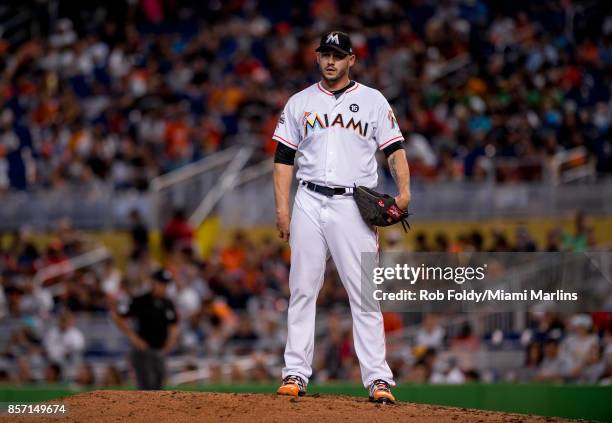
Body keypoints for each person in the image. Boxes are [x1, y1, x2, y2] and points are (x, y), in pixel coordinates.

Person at [272, 31, 411, 403]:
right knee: (302, 289)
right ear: (317, 59)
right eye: (324, 54)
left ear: (351, 60)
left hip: (354, 204)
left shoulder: (372, 101)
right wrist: (283, 208)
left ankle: (378, 379)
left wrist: (405, 191)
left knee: (364, 295)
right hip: (308, 201)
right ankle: (295, 373)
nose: (330, 61)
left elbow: (395, 149)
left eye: (337, 55)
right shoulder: (300, 102)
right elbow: (283, 159)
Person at [110, 269, 180, 390]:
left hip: (160, 352)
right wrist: (133, 337)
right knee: (147, 388)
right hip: (143, 352)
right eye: (162, 284)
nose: (164, 287)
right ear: (154, 283)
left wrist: (170, 342)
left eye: (166, 284)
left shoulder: (168, 303)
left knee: (159, 388)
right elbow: (117, 316)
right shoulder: (141, 301)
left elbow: (174, 324)